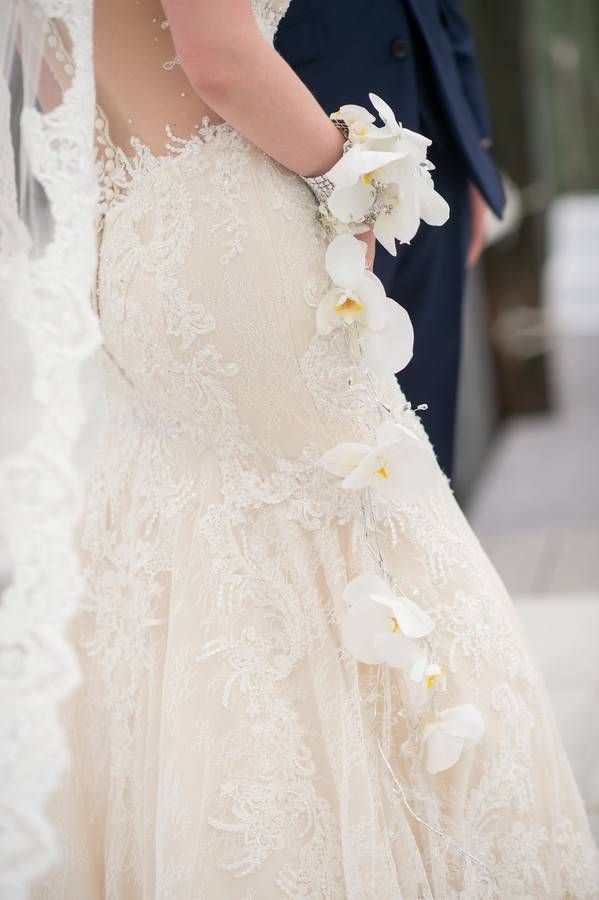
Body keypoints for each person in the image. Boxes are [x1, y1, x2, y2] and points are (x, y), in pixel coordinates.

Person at [31, 1, 598, 897]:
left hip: (131, 240)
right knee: (348, 535)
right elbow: (219, 57)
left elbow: (54, 81)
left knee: (202, 543)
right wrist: (352, 172)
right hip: (230, 231)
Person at [276, 0, 505, 478]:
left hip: (433, 137)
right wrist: (337, 181)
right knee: (337, 438)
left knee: (427, 431)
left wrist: (473, 137)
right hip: (301, 151)